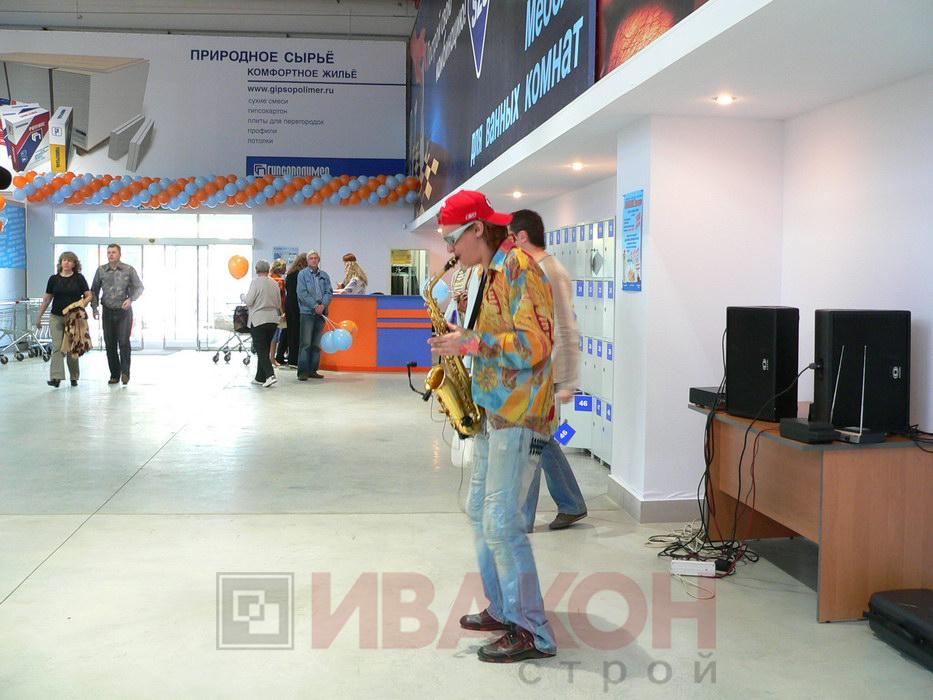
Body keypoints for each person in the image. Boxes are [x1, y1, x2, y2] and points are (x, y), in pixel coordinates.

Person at [428, 190, 557, 663]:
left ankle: (533, 632)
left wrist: (472, 343)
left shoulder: (519, 267)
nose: (450, 249)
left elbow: (536, 344)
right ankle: (503, 608)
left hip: (518, 413)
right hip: (492, 410)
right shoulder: (487, 271)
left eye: (452, 239)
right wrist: (463, 341)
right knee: (478, 511)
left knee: (501, 522)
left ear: (478, 229)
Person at [510, 209, 588, 531]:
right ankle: (571, 503)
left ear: (522, 237)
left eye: (511, 238)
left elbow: (566, 326)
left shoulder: (549, 271)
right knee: (539, 440)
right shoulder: (533, 268)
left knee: (528, 443)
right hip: (532, 370)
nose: (509, 245)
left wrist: (567, 381)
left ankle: (521, 520)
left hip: (545, 372)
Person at [35, 251, 93, 387]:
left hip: (73, 318)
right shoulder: (53, 279)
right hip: (56, 316)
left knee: (72, 347)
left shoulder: (79, 278)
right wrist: (39, 316)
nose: (66, 262)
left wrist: (81, 304)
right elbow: (47, 299)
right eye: (64, 260)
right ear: (60, 263)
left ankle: (74, 376)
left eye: (69, 260)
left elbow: (89, 295)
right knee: (57, 347)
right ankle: (56, 377)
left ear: (74, 264)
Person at [90, 243, 144, 385]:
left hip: (124, 311)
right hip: (107, 311)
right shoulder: (101, 270)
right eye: (109, 252)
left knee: (124, 342)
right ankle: (115, 374)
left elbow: (139, 287)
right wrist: (94, 308)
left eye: (113, 252)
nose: (111, 255)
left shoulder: (128, 270)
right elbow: (94, 291)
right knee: (110, 344)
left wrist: (130, 299)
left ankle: (125, 373)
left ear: (119, 254)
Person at [240, 259, 282, 387]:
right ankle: (260, 377)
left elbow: (249, 301)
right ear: (268, 270)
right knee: (265, 348)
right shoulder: (274, 283)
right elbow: (278, 303)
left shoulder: (255, 282)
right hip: (273, 320)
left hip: (258, 320)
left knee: (261, 349)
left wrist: (242, 296)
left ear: (256, 270)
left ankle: (270, 375)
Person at [295, 250, 333, 381]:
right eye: (311, 258)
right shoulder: (302, 274)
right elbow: (302, 293)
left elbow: (329, 292)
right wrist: (315, 306)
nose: (313, 260)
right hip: (307, 312)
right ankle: (303, 372)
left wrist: (323, 305)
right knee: (305, 343)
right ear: (307, 260)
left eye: (315, 258)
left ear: (319, 260)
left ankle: (313, 370)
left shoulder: (324, 275)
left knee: (316, 344)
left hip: (321, 313)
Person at [283, 253, 307, 368]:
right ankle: (296, 359)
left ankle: (291, 358)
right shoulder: (301, 275)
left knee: (291, 332)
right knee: (298, 332)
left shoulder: (290, 273)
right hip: (297, 305)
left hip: (289, 304)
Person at [269, 259, 288, 367]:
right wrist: (283, 312)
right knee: (275, 336)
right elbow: (280, 298)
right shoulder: (280, 281)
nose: (286, 269)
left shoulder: (269, 278)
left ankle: (269, 358)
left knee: (270, 334)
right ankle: (272, 358)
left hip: (268, 309)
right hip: (277, 309)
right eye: (284, 267)